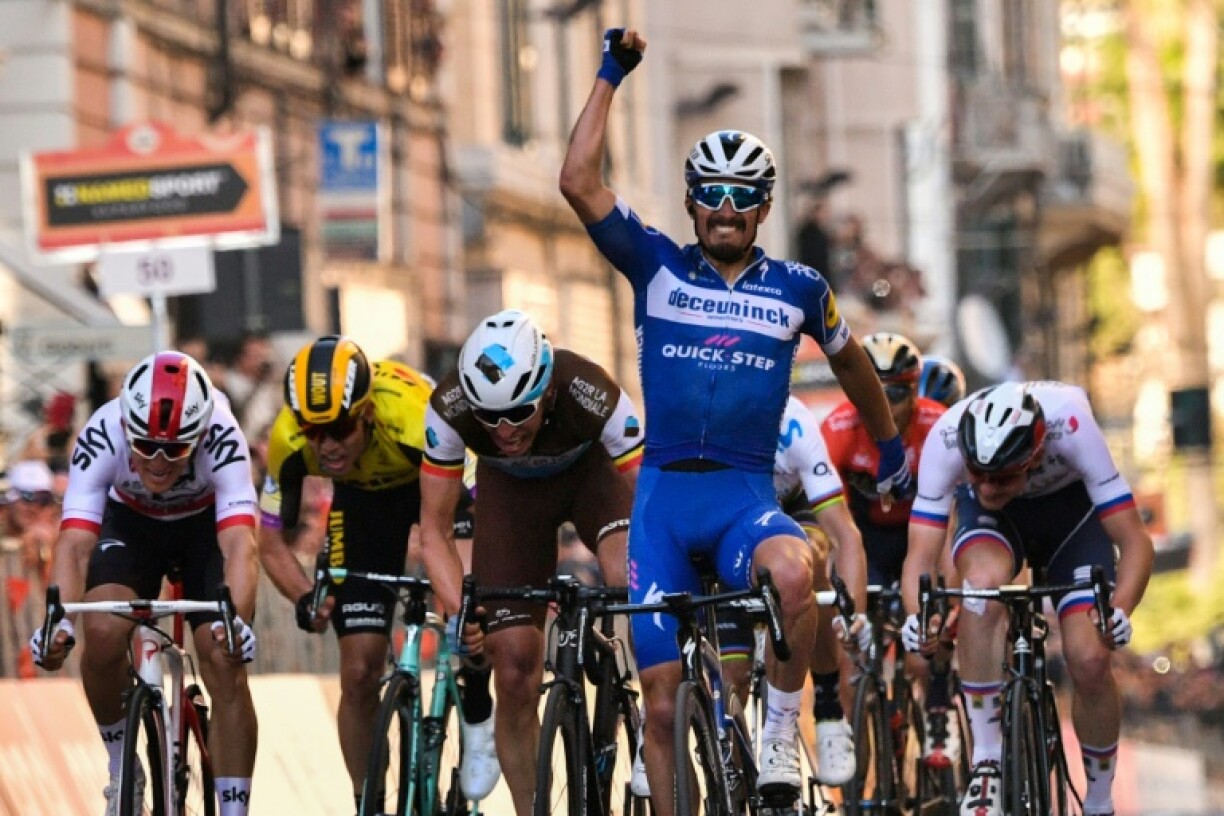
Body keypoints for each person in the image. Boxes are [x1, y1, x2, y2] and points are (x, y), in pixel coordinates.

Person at [558, 28, 909, 810]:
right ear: (689, 202)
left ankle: (783, 731)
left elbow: (852, 362)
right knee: (657, 702)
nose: (724, 208)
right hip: (662, 505)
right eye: (710, 193)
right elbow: (579, 179)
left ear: (764, 206)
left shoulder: (799, 287)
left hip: (744, 499)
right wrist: (611, 72)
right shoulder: (655, 263)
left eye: (741, 195)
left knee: (796, 571)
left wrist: (887, 442)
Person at [418, 309, 643, 814]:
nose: (504, 431)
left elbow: (647, 495)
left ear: (546, 392)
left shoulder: (587, 386)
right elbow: (433, 530)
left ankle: (646, 709)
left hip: (594, 483)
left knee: (626, 577)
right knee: (513, 666)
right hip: (511, 496)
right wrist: (462, 614)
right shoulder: (449, 407)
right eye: (489, 417)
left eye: (518, 413)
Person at [900, 381, 1154, 816]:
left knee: (1090, 658)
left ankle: (1097, 799)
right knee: (979, 588)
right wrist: (918, 617)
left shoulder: (1072, 425)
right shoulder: (945, 440)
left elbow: (1135, 543)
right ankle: (986, 759)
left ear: (1035, 456)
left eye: (1000, 477)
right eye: (977, 473)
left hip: (1072, 517)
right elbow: (921, 554)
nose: (986, 486)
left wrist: (1120, 611)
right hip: (996, 526)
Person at [30, 351, 260, 816]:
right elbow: (74, 545)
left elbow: (240, 546)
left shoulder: (223, 434)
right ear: (126, 429)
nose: (157, 462)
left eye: (174, 449)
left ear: (198, 437)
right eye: (145, 445)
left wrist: (234, 620)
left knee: (222, 656)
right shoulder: (101, 433)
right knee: (100, 632)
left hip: (204, 529)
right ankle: (121, 768)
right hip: (129, 525)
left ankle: (235, 809)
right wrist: (58, 624)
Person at [258, 335, 472, 813]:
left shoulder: (417, 417)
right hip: (362, 508)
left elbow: (479, 503)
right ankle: (367, 802)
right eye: (314, 432)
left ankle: (476, 717)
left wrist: (470, 602)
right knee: (357, 672)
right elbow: (268, 542)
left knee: (473, 616)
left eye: (339, 429)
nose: (326, 445)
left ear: (368, 412)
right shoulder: (287, 439)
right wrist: (303, 596)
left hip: (437, 485)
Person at [821, 332, 958, 763]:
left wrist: (945, 595)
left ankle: (937, 705)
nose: (884, 404)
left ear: (915, 391)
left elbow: (952, 527)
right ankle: (862, 736)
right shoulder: (838, 429)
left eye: (896, 393)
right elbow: (834, 531)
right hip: (865, 539)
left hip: (924, 536)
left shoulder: (938, 427)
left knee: (924, 646)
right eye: (873, 392)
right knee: (851, 655)